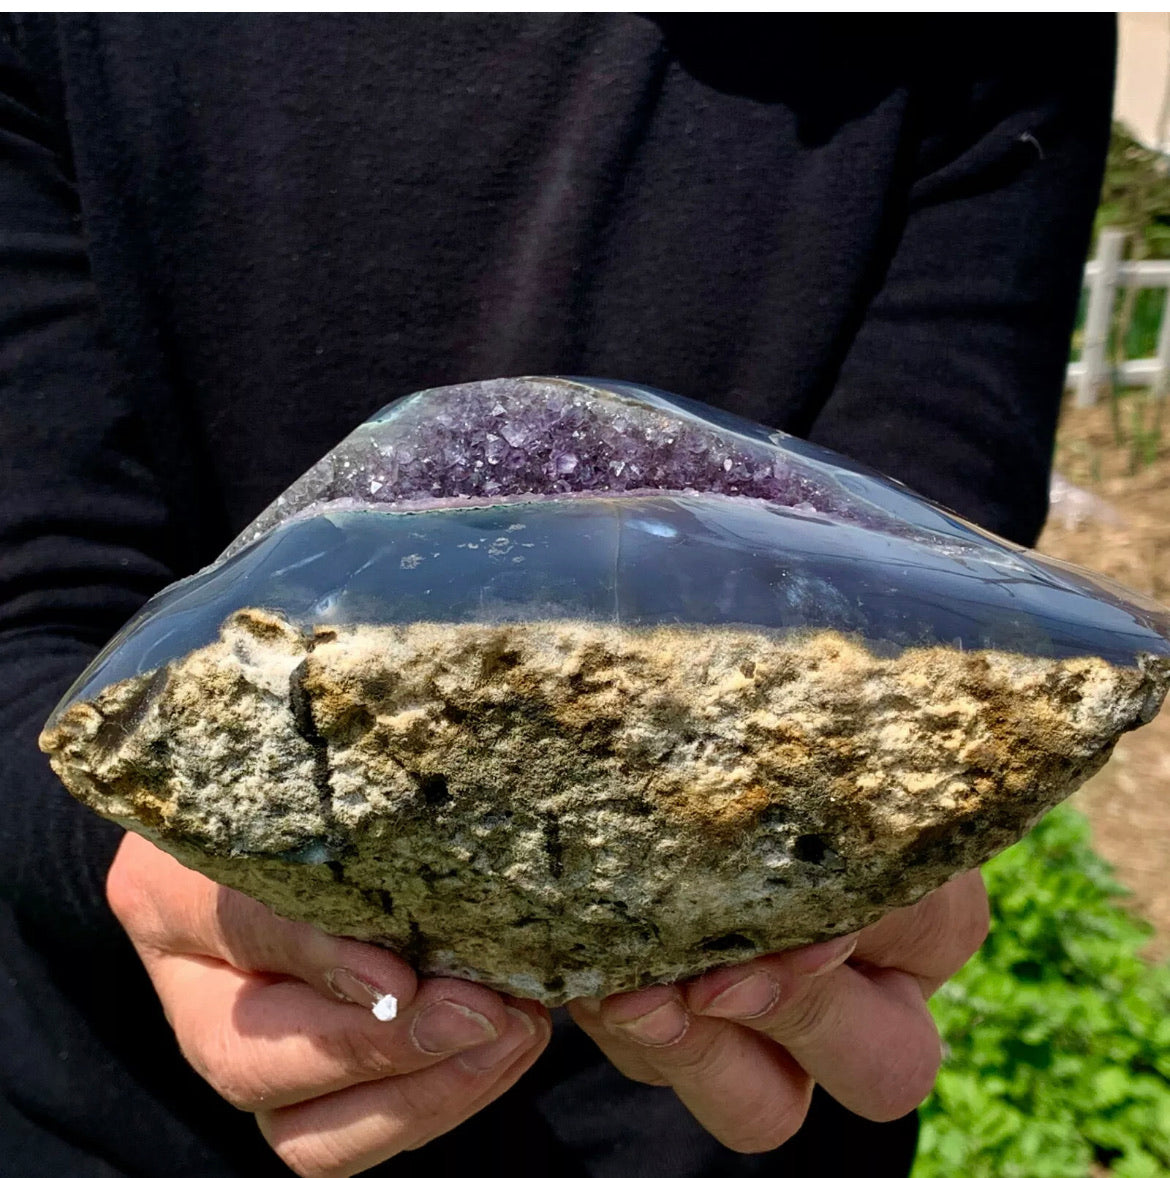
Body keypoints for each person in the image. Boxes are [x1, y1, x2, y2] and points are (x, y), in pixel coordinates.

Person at [0, 14, 1113, 1178]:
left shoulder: (990, 37)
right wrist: (126, 867)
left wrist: (877, 882)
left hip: (730, 1105)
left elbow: (940, 612)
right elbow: (32, 615)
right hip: (140, 1100)